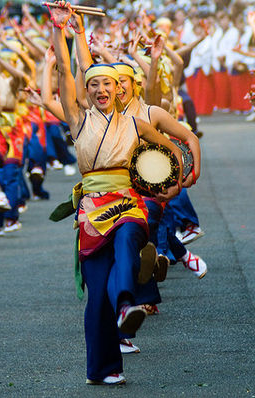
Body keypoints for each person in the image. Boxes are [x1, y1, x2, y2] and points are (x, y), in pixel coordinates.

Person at [47, 1, 184, 385]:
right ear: (86, 92)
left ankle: (127, 303)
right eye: (94, 84)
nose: (101, 88)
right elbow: (64, 71)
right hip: (91, 209)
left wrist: (175, 179)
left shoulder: (137, 122)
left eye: (108, 83)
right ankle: (102, 370)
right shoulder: (78, 120)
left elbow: (171, 148)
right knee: (95, 296)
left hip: (128, 203)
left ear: (119, 90)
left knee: (128, 236)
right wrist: (62, 30)